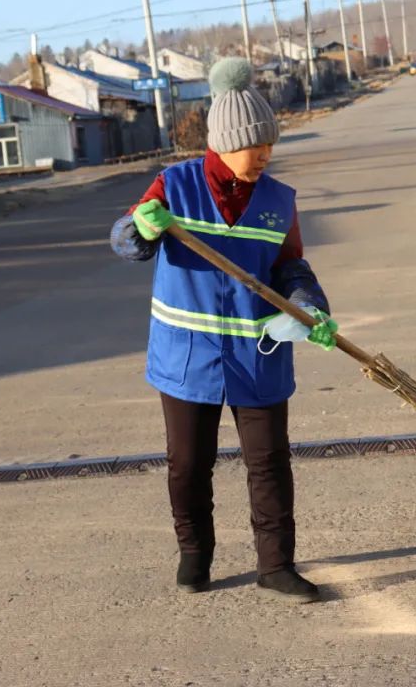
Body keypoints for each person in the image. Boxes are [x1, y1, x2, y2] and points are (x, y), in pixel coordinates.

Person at [110, 57, 337, 605]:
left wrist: (311, 308)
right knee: (189, 464)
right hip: (187, 357)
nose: (263, 156)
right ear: (223, 144)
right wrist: (141, 228)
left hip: (258, 353)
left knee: (268, 462)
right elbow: (124, 240)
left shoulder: (279, 201)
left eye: (269, 146)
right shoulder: (176, 185)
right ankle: (195, 556)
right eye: (253, 145)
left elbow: (292, 269)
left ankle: (276, 565)